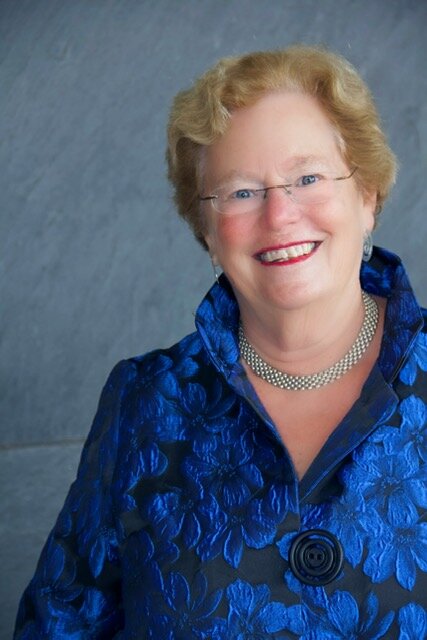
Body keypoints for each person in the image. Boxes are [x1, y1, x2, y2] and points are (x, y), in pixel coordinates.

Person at [14, 45, 427, 639]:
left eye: (308, 178)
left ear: (367, 196)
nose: (280, 215)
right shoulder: (142, 403)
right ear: (208, 231)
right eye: (241, 192)